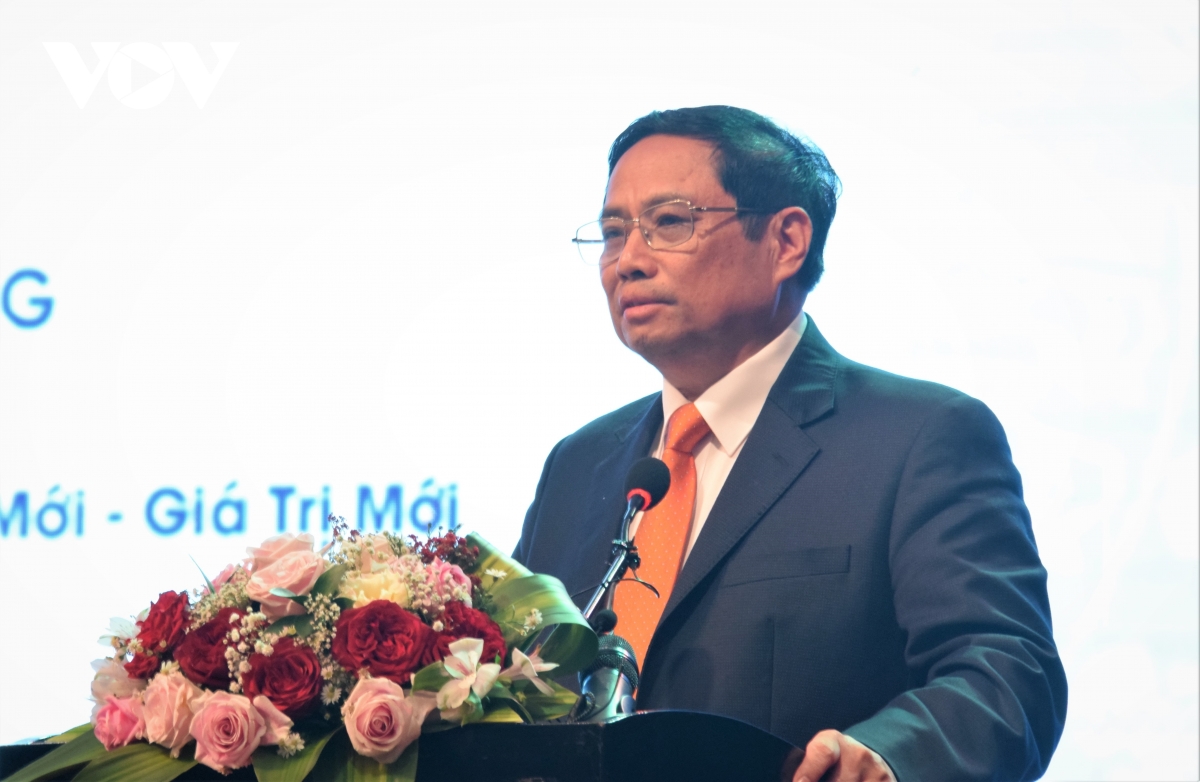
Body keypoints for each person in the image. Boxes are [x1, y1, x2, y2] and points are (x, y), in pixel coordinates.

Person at [513, 106, 1067, 782]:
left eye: (669, 223)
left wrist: (890, 754)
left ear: (786, 241)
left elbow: (1008, 674)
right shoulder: (578, 464)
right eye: (612, 232)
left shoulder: (919, 438)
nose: (627, 261)